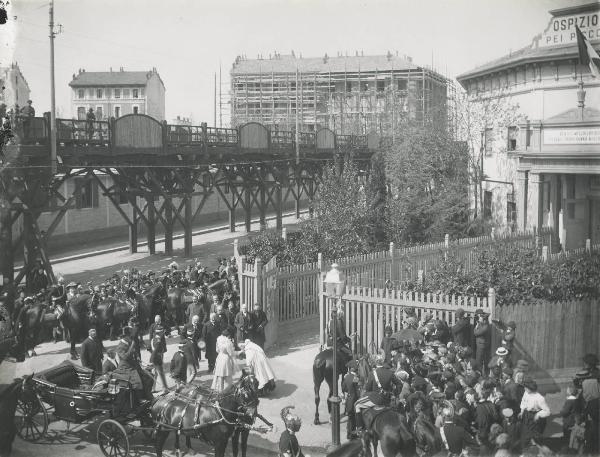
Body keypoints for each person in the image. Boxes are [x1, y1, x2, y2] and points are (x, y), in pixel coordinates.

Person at [354, 353, 402, 433]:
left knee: (357, 405)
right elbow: (399, 384)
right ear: (382, 362)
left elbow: (368, 389)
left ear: (375, 362)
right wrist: (395, 393)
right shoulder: (390, 372)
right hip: (387, 399)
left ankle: (360, 428)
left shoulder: (372, 373)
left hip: (375, 399)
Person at [519, 376, 550, 448]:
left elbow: (547, 411)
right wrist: (522, 411)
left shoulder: (539, 398)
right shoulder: (526, 393)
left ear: (530, 389)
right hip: (527, 415)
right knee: (526, 434)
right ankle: (527, 448)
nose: (524, 389)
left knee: (535, 436)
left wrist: (538, 414)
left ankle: (536, 449)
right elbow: (523, 402)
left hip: (536, 418)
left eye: (526, 388)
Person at [212, 328, 237, 392]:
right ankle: (226, 391)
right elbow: (231, 353)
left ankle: (220, 390)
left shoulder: (218, 340)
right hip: (226, 359)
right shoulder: (228, 342)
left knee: (220, 375)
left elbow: (217, 350)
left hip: (220, 357)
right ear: (227, 335)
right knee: (227, 375)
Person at [342, 360, 361, 439]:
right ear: (355, 369)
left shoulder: (346, 377)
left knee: (350, 418)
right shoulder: (355, 378)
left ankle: (349, 433)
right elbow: (358, 391)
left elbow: (343, 388)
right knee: (354, 418)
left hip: (348, 400)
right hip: (354, 400)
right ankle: (352, 434)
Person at [474, 309, 491, 373]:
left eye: (480, 317)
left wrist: (476, 326)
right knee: (484, 360)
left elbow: (475, 333)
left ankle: (481, 373)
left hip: (482, 345)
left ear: (483, 319)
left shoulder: (485, 327)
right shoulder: (484, 324)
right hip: (483, 344)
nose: (479, 318)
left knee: (479, 360)